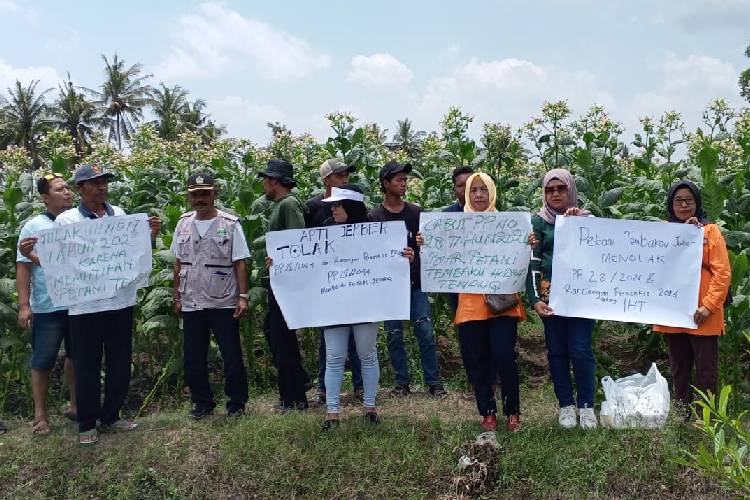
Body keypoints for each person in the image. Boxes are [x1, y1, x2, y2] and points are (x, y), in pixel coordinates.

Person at [55, 163, 161, 445]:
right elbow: (59, 262)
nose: (102, 187)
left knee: (120, 361)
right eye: (94, 182)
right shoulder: (66, 222)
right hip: (84, 306)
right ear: (80, 188)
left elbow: (135, 254)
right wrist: (38, 256)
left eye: (104, 182)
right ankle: (87, 423)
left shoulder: (122, 216)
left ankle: (112, 415)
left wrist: (148, 236)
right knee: (87, 364)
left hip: (119, 302)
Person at [419, 173, 529, 432]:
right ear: (466, 195)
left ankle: (513, 410)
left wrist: (528, 243)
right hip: (470, 304)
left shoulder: (509, 225)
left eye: (483, 190)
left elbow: (521, 255)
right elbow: (439, 254)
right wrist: (426, 243)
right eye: (473, 190)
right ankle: (487, 410)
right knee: (475, 358)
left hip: (503, 303)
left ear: (492, 192)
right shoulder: (455, 227)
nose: (479, 195)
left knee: (504, 356)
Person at [318, 185, 414, 430]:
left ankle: (370, 407)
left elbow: (389, 260)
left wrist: (405, 256)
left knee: (367, 355)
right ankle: (332, 413)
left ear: (351, 207)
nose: (333, 209)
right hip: (335, 303)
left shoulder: (374, 232)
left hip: (365, 303)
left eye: (337, 205)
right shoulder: (326, 231)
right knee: (335, 357)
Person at [172, 172, 250, 419]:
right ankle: (202, 403)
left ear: (214, 194)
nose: (200, 199)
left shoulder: (229, 223)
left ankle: (236, 403)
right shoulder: (182, 223)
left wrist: (243, 296)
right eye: (195, 195)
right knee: (193, 356)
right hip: (191, 299)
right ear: (189, 197)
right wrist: (176, 296)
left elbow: (240, 262)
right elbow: (177, 263)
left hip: (223, 299)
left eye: (205, 194)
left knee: (231, 354)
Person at [526, 168, 598, 430]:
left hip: (582, 297)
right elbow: (533, 261)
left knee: (580, 350)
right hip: (551, 295)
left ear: (571, 190)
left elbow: (602, 253)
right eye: (549, 189)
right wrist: (534, 298)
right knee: (557, 351)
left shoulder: (588, 219)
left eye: (561, 188)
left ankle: (587, 405)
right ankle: (566, 405)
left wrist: (579, 223)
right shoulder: (539, 221)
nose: (555, 194)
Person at [653, 181, 731, 419]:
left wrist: (708, 306)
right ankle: (682, 411)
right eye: (678, 200)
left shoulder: (710, 231)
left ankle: (708, 416)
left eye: (689, 200)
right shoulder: (663, 231)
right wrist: (681, 235)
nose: (684, 204)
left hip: (703, 313)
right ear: (671, 204)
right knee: (679, 366)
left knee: (706, 369)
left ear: (697, 203)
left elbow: (723, 272)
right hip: (673, 311)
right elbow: (655, 264)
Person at [369, 161, 446, 397]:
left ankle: (434, 383)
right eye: (398, 180)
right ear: (385, 184)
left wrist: (417, 252)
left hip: (415, 284)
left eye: (405, 180)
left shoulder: (416, 213)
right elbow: (370, 253)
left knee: (425, 332)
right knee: (394, 336)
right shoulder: (374, 217)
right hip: (389, 288)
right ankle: (402, 383)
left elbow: (429, 249)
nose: (404, 184)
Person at [16, 173, 77, 435]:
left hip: (79, 302)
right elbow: (23, 266)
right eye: (59, 189)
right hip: (47, 304)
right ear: (44, 197)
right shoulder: (33, 226)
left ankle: (76, 406)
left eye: (68, 188)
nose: (67, 192)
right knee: (43, 358)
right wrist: (24, 305)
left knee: (77, 355)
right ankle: (40, 416)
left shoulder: (79, 221)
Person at [305, 159, 363, 406]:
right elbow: (303, 242)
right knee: (328, 339)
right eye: (339, 176)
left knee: (359, 338)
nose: (344, 179)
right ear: (326, 180)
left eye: (346, 175)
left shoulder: (356, 202)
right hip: (327, 283)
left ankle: (360, 387)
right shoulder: (313, 206)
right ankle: (324, 389)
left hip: (356, 281)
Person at [259, 159, 310, 411]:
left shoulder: (289, 204)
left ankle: (294, 399)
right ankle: (299, 381)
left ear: (275, 181)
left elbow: (298, 241)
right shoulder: (283, 204)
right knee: (272, 330)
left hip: (285, 282)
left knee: (282, 339)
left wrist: (281, 261)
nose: (263, 184)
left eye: (266, 179)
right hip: (279, 279)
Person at [442, 166, 475, 315]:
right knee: (464, 326)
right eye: (460, 185)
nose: (465, 189)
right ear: (454, 189)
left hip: (486, 281)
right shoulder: (446, 215)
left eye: (469, 184)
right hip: (457, 285)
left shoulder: (493, 213)